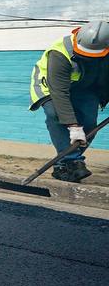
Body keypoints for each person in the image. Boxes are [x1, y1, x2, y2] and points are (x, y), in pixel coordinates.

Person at [29, 20, 109, 183]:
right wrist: (73, 126)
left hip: (86, 86)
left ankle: (64, 164)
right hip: (51, 85)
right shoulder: (60, 52)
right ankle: (72, 161)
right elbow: (59, 93)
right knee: (55, 114)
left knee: (89, 123)